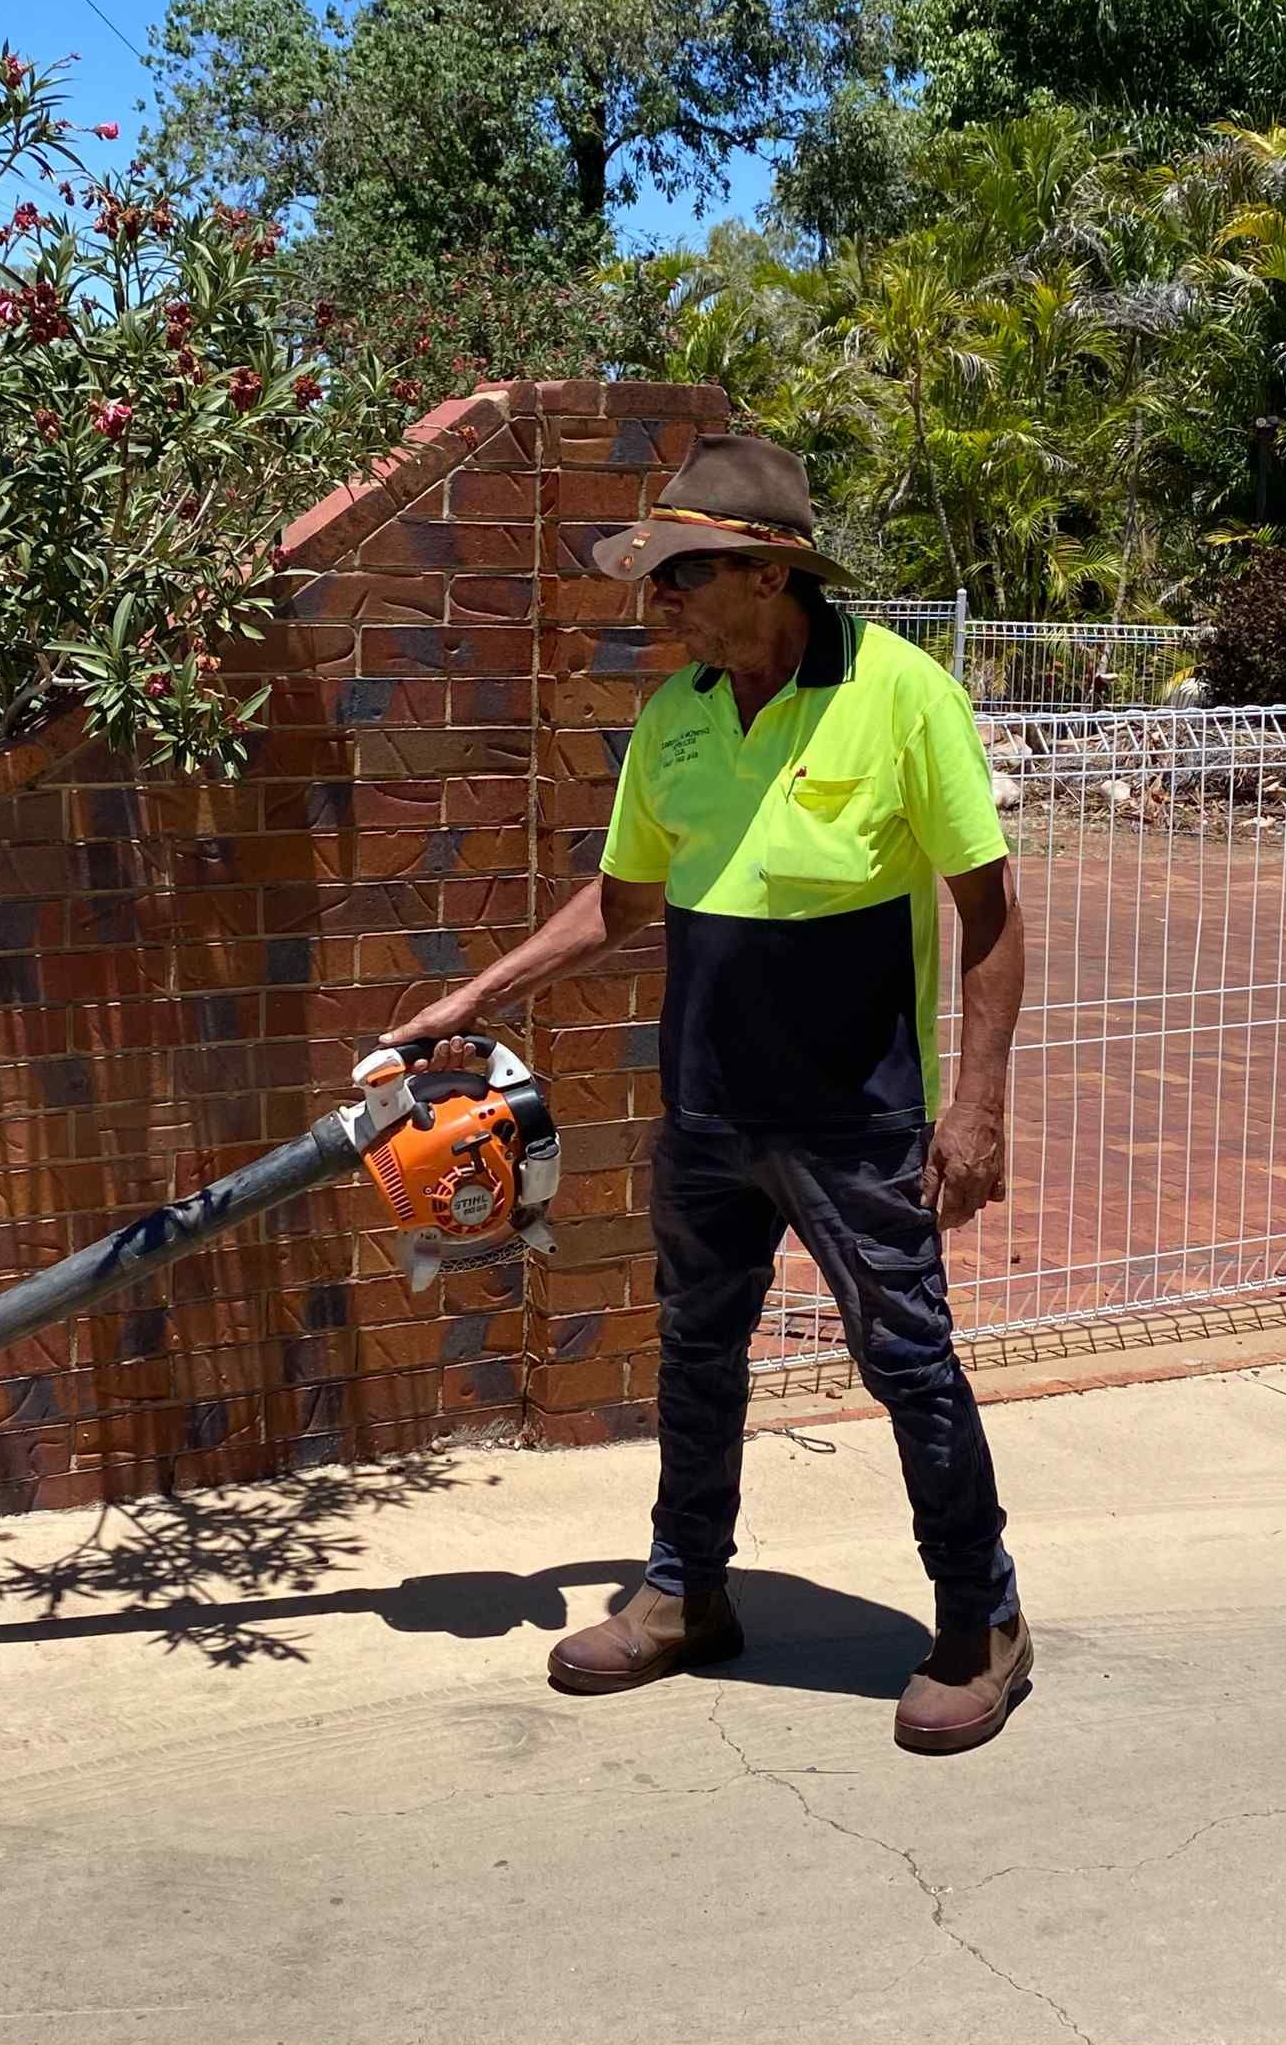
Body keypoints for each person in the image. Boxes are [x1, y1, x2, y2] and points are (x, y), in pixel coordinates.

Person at [385, 433, 1029, 1753]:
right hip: (708, 1114)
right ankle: (685, 1595)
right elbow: (622, 900)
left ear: (770, 574)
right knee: (690, 1358)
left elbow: (989, 911)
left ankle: (981, 1620)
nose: (656, 598)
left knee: (905, 1363)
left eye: (679, 571)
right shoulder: (676, 713)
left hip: (857, 1119)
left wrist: (974, 1110)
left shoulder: (900, 694)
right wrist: (476, 997)